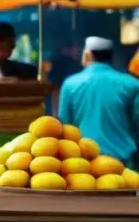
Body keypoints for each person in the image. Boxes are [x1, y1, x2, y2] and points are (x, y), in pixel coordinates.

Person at [58, 37, 139, 166]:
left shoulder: (70, 84)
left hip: (83, 162)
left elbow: (64, 125)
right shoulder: (132, 84)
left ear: (88, 54)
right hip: (123, 162)